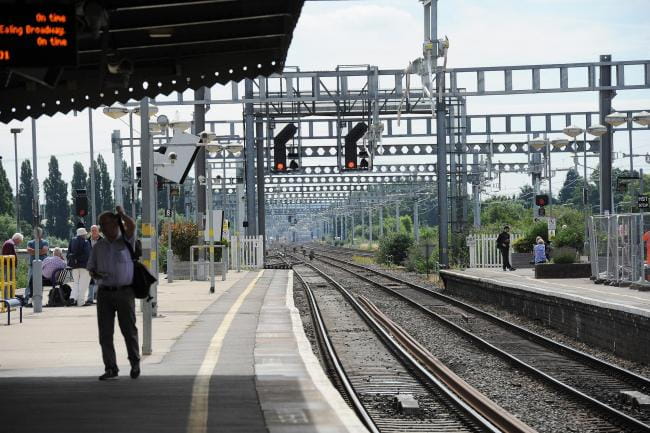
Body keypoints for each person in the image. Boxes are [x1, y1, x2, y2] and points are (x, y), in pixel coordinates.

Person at [87, 206, 140, 381]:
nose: (103, 228)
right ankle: (111, 367)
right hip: (104, 293)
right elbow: (91, 269)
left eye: (107, 223)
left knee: (128, 330)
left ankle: (134, 363)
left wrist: (123, 214)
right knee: (105, 333)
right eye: (102, 225)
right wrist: (96, 275)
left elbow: (132, 226)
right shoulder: (98, 247)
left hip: (124, 292)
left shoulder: (126, 240)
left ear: (116, 224)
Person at [68, 227, 91, 306]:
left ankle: (73, 297)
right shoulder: (86, 242)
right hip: (84, 265)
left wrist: (74, 259)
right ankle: (80, 302)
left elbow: (68, 253)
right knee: (83, 284)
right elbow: (87, 255)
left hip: (74, 265)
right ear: (84, 234)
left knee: (75, 283)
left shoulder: (72, 241)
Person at [25, 228, 49, 305]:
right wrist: (39, 251)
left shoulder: (45, 242)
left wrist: (34, 251)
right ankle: (27, 299)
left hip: (42, 266)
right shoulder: (30, 242)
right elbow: (29, 251)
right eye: (36, 232)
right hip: (32, 266)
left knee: (40, 283)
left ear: (41, 234)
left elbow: (44, 250)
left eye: (39, 233)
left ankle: (39, 300)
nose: (37, 234)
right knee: (29, 283)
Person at [85, 225, 102, 305]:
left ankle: (99, 298)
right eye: (92, 230)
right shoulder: (86, 241)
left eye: (95, 230)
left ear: (98, 231)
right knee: (90, 282)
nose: (94, 232)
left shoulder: (103, 241)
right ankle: (90, 299)